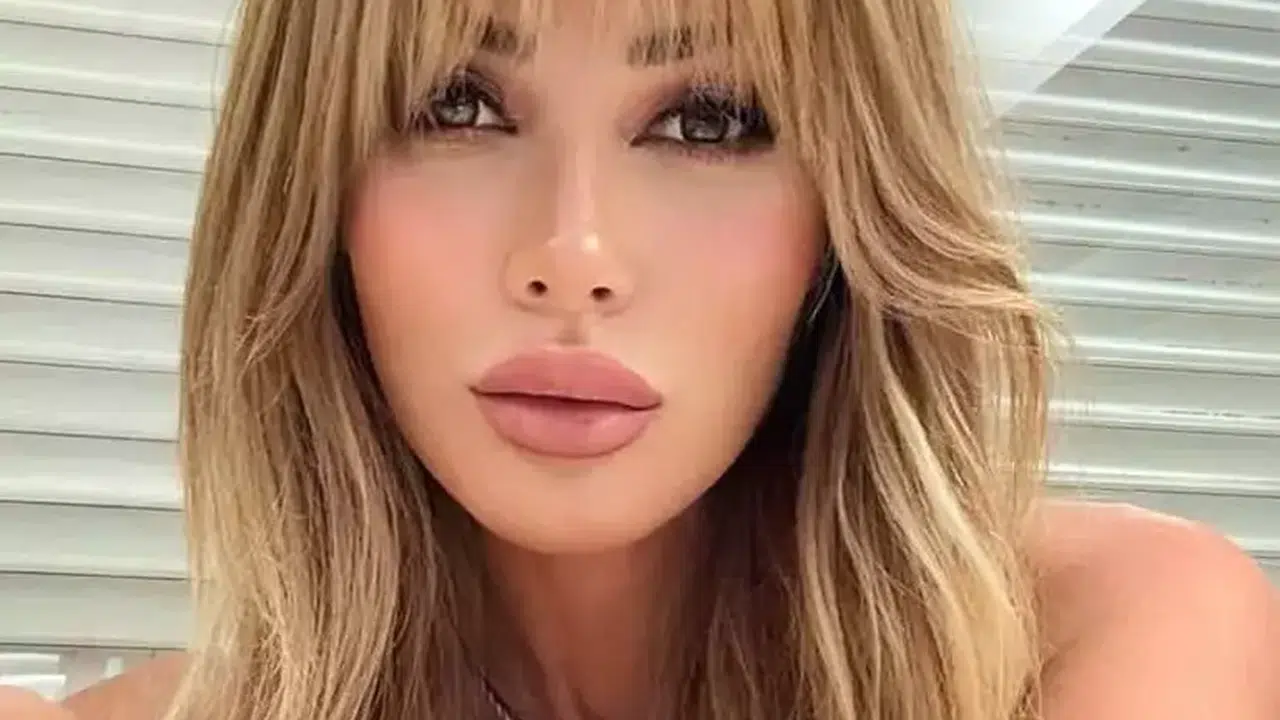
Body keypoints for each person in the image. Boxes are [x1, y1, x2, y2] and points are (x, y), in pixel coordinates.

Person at [4, 0, 1277, 718]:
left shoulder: (1103, 640)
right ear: (314, 193)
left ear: (844, 218)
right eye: (458, 105)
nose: (572, 255)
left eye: (706, 121)